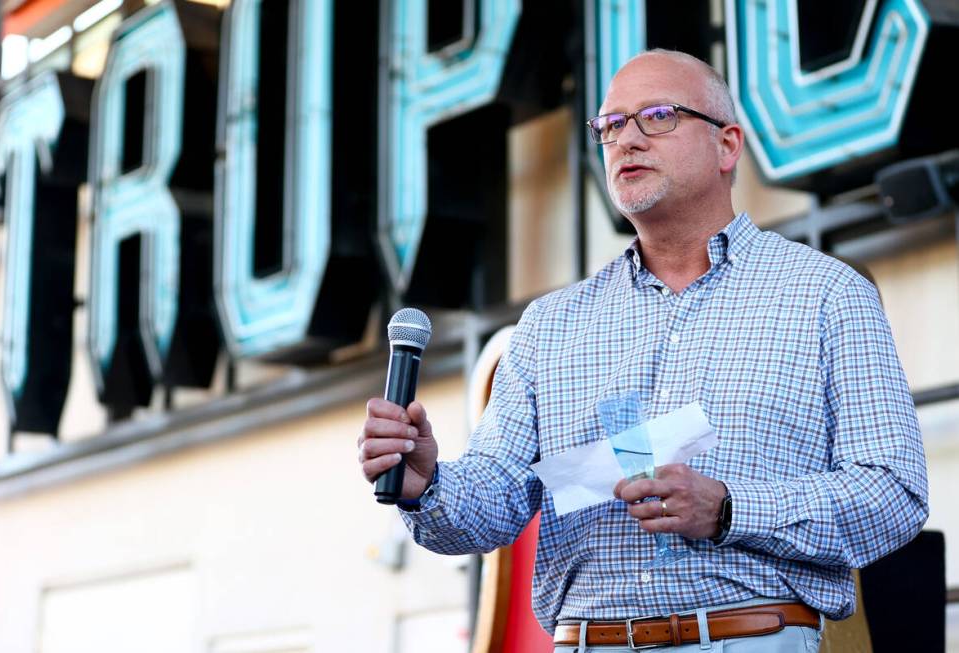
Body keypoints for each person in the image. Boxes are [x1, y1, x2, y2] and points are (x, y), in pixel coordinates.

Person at [357, 49, 928, 652]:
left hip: (750, 636)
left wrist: (729, 508)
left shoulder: (826, 294)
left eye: (657, 116)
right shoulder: (551, 325)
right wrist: (428, 486)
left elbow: (894, 494)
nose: (626, 139)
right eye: (610, 125)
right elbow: (490, 506)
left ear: (727, 146)